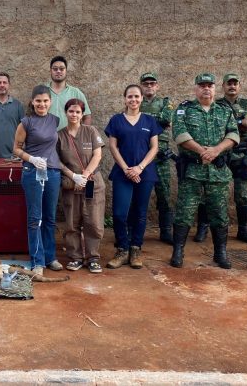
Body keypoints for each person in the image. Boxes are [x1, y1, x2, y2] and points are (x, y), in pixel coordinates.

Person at [170, 74, 240, 270]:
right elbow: (180, 134)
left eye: (210, 85)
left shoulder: (225, 111)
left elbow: (234, 134)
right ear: (196, 89)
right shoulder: (184, 109)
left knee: (219, 214)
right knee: (184, 212)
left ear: (215, 89)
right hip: (192, 171)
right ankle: (178, 251)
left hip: (217, 172)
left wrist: (216, 150)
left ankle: (220, 253)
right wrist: (203, 151)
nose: (206, 89)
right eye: (202, 86)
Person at [105, 85, 161, 269]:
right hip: (122, 173)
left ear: (141, 98)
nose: (133, 100)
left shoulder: (149, 120)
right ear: (125, 99)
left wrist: (139, 168)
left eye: (136, 96)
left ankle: (135, 248)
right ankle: (122, 249)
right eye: (130, 96)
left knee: (140, 213)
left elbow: (154, 147)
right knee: (119, 213)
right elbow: (113, 146)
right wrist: (127, 169)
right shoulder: (116, 120)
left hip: (145, 173)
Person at [14, 85, 63, 275]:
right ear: (32, 102)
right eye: (38, 101)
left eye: (45, 101)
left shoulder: (55, 120)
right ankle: (37, 261)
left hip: (53, 172)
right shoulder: (26, 123)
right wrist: (32, 159)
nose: (42, 104)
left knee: (50, 217)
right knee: (35, 218)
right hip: (33, 172)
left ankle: (50, 257)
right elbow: (16, 149)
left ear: (50, 102)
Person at [57, 98, 106, 273]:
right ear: (66, 112)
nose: (74, 115)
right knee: (72, 222)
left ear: (82, 114)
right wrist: (74, 177)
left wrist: (84, 177)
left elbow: (97, 155)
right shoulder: (59, 135)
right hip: (71, 185)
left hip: (92, 182)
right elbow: (57, 161)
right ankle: (75, 257)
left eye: (78, 112)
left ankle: (93, 257)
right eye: (71, 111)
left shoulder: (90, 131)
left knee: (94, 222)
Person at [216, 73, 247, 245]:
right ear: (223, 86)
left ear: (239, 86)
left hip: (242, 155)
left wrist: (238, 123)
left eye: (235, 83)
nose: (232, 86)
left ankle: (243, 230)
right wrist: (241, 122)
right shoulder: (217, 105)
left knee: (243, 194)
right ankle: (205, 227)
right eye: (229, 83)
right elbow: (218, 125)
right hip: (222, 154)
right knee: (215, 192)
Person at [139, 72, 175, 245]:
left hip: (161, 157)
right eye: (146, 84)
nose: (149, 86)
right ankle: (135, 230)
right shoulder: (136, 102)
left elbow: (167, 118)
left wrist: (143, 120)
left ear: (157, 86)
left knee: (164, 195)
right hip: (141, 157)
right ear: (141, 86)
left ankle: (166, 231)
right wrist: (157, 121)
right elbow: (132, 120)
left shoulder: (165, 102)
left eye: (152, 83)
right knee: (138, 195)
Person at [47, 56, 92, 130]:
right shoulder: (43, 91)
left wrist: (82, 134)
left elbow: (87, 116)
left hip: (69, 136)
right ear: (50, 71)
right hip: (46, 136)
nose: (58, 71)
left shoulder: (76, 92)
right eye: (55, 69)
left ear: (66, 71)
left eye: (62, 69)